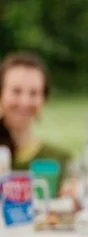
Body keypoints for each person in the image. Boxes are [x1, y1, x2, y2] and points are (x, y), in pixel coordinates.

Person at [0, 52, 72, 189]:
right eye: (16, 91)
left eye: (34, 93)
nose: (25, 102)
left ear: (43, 100)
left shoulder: (59, 160)